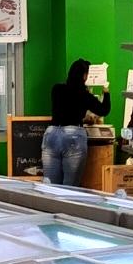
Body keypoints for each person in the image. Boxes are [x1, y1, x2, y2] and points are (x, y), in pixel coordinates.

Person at [42, 58, 107, 186]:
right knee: (70, 187)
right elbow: (104, 110)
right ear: (84, 76)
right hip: (73, 136)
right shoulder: (84, 94)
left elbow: (65, 110)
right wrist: (106, 92)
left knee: (50, 186)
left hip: (52, 134)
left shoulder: (56, 89)